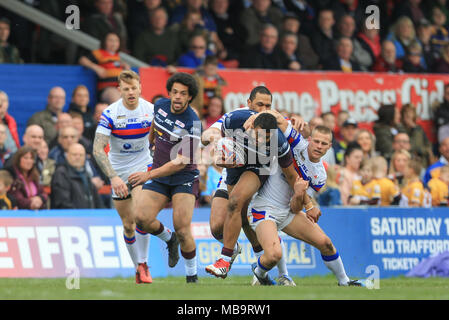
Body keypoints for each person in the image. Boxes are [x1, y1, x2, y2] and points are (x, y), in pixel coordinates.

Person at [247, 121, 363, 286]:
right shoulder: (295, 145)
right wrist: (291, 119)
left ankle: (344, 281)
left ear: (329, 146)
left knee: (326, 243)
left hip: (288, 212)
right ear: (309, 140)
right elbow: (278, 120)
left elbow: (295, 208)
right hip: (264, 208)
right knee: (274, 255)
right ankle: (260, 273)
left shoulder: (320, 175)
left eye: (324, 143)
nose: (319, 146)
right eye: (316, 141)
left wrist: (300, 193)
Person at [205, 91, 306, 280]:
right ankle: (240, 255)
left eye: (268, 106)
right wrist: (216, 142)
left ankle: (226, 261)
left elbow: (287, 126)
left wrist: (308, 203)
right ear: (248, 103)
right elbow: (207, 134)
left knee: (237, 204)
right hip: (232, 168)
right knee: (219, 226)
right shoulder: (235, 118)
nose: (264, 110)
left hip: (259, 169)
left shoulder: (272, 125)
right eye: (260, 105)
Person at [129, 72, 201, 283]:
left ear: (190, 97)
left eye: (183, 94)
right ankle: (169, 239)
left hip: (184, 177)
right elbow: (156, 124)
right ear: (170, 93)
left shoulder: (193, 123)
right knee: (141, 218)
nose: (177, 97)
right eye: (175, 92)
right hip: (160, 176)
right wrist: (151, 140)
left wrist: (148, 174)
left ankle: (192, 278)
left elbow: (181, 161)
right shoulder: (160, 105)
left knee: (183, 228)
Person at [93, 70, 159, 284]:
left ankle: (144, 263)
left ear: (140, 87)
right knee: (129, 224)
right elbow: (97, 149)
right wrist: (113, 177)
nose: (131, 92)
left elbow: (165, 137)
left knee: (141, 214)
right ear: (119, 90)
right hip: (118, 172)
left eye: (134, 88)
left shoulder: (151, 110)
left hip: (142, 167)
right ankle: (137, 268)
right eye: (126, 88)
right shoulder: (111, 113)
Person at [51, 143, 104, 209]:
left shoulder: (86, 173)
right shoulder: (61, 173)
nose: (78, 157)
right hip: (71, 217)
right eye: (74, 154)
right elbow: (63, 202)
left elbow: (97, 201)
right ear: (67, 155)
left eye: (81, 155)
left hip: (89, 217)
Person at [79, 32, 130, 97]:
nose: (113, 43)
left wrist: (125, 68)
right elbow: (82, 60)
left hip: (119, 88)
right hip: (106, 88)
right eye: (110, 40)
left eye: (116, 41)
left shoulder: (117, 56)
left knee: (139, 99)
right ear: (104, 42)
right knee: (117, 98)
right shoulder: (98, 53)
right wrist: (96, 68)